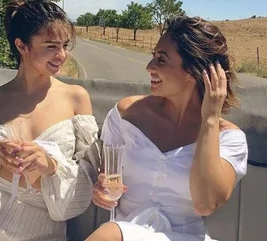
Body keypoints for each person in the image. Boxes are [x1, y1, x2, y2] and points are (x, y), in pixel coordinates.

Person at [0, 0, 100, 241]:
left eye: (65, 45)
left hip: (41, 220)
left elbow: (91, 173)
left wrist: (51, 165)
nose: (62, 55)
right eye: (51, 46)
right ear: (22, 46)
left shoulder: (76, 98)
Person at [87, 16, 248, 241]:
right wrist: (101, 190)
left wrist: (209, 119)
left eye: (161, 60)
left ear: (194, 70)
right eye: (153, 57)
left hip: (182, 237)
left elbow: (205, 203)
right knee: (112, 232)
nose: (149, 67)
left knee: (110, 234)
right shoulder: (126, 115)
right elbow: (108, 180)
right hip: (123, 231)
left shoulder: (229, 138)